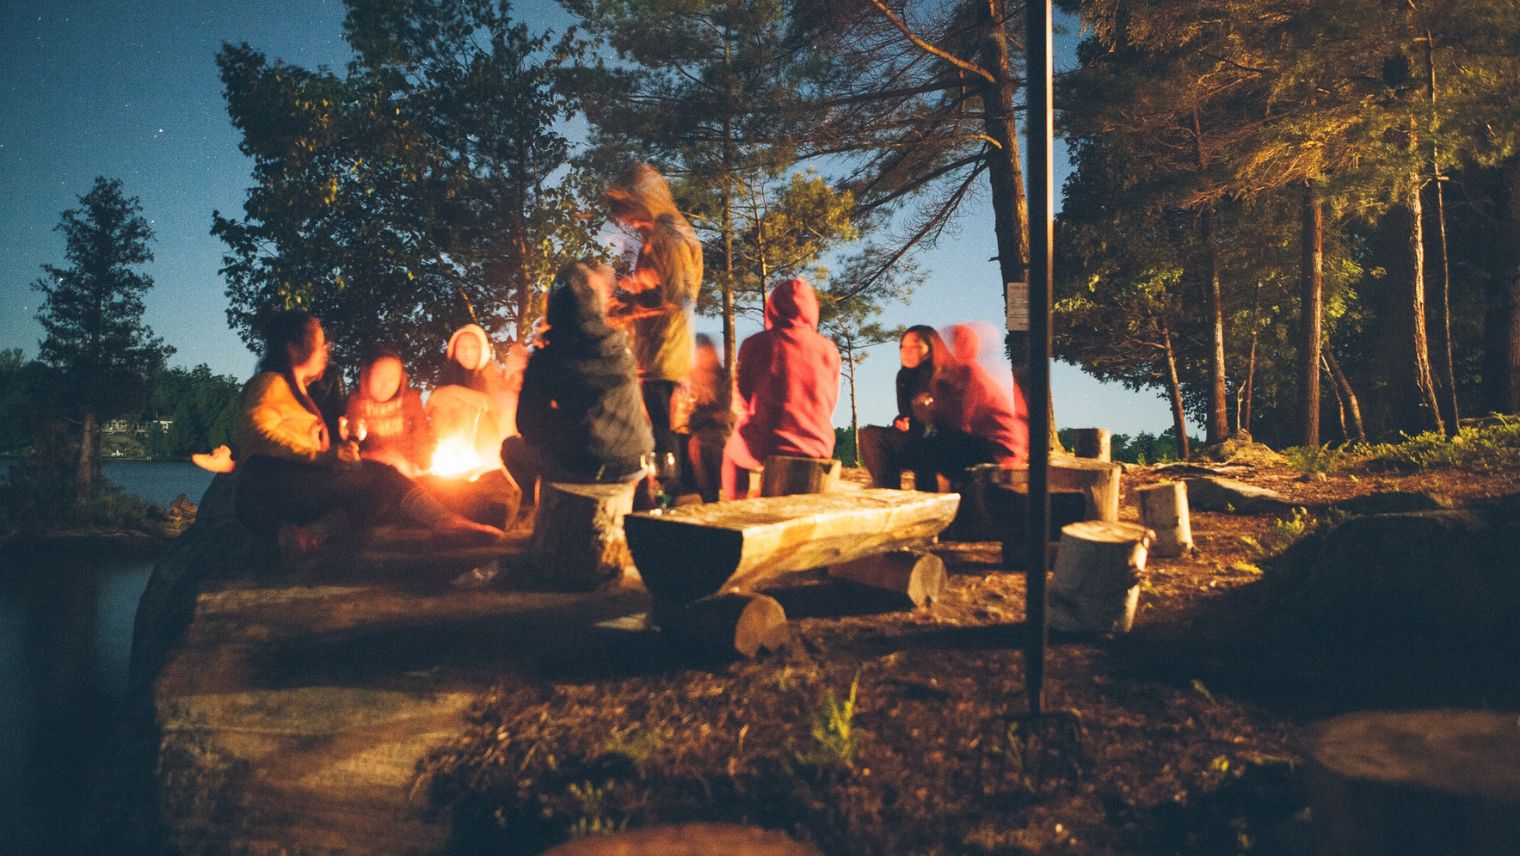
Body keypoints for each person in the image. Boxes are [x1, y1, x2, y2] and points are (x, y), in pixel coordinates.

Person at [234, 310, 502, 555]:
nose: (325, 350)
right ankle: (445, 521)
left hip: (298, 485)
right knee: (384, 476)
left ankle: (310, 535)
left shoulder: (300, 391)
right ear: (294, 348)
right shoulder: (270, 382)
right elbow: (256, 432)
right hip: (277, 485)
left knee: (380, 495)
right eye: (319, 342)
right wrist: (321, 458)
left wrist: (335, 456)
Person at [502, 261, 654, 492]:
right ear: (595, 301)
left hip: (587, 466)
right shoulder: (619, 344)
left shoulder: (549, 356)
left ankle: (539, 508)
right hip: (636, 460)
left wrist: (565, 427)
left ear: (553, 304)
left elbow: (527, 423)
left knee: (511, 448)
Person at [604, 162, 702, 487]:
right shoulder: (661, 233)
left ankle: (673, 508)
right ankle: (675, 501)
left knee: (664, 437)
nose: (621, 218)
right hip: (659, 352)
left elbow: (679, 295)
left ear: (641, 198)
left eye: (624, 207)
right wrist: (635, 287)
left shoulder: (669, 231)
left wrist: (629, 305)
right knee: (663, 433)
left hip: (664, 354)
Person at [721, 278, 841, 499]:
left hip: (770, 441)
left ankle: (735, 506)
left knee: (731, 453)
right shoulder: (829, 349)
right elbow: (831, 400)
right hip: (819, 443)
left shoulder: (757, 343)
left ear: (772, 308)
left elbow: (744, 394)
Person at [857, 325, 941, 490]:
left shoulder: (940, 374)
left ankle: (928, 497)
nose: (906, 351)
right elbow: (905, 413)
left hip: (940, 443)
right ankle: (887, 491)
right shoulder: (903, 376)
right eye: (903, 347)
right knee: (869, 435)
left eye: (915, 347)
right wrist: (901, 421)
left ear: (930, 350)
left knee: (926, 444)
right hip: (914, 439)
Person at [344, 347, 433, 477]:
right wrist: (379, 457)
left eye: (393, 378)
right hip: (374, 472)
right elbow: (353, 448)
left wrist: (423, 465)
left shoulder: (410, 399)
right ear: (367, 375)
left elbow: (421, 435)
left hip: (409, 471)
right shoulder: (357, 402)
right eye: (379, 377)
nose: (386, 385)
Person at [682, 333, 733, 501]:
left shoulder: (724, 380)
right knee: (698, 446)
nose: (704, 357)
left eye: (707, 352)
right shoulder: (689, 380)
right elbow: (686, 416)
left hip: (721, 434)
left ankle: (718, 493)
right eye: (700, 353)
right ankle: (707, 496)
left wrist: (724, 416)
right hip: (698, 434)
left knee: (718, 447)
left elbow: (730, 411)